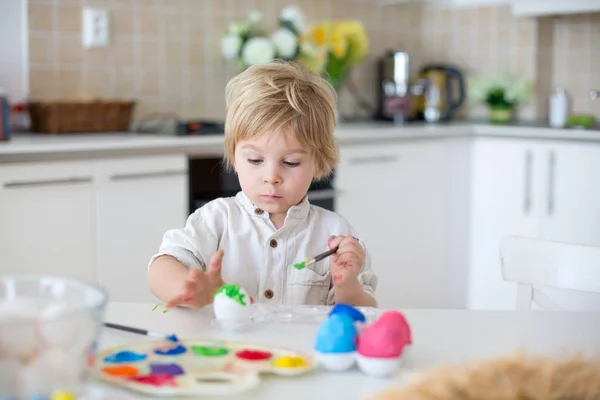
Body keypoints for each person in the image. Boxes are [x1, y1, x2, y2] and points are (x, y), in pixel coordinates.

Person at [147, 61, 377, 309]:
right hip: (230, 347)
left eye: (290, 162)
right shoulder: (217, 220)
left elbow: (362, 312)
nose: (271, 176)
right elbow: (161, 267)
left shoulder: (335, 232)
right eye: (255, 160)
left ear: (319, 164)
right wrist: (188, 289)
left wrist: (347, 284)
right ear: (234, 158)